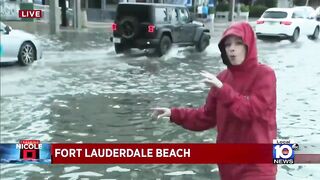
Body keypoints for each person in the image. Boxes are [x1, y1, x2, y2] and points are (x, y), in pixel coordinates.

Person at [152, 22, 277, 180]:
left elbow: (251, 112)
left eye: (238, 43)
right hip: (228, 166)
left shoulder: (265, 75)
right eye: (228, 44)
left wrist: (222, 89)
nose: (232, 48)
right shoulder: (222, 78)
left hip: (259, 165)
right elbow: (205, 117)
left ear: (248, 45)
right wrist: (173, 114)